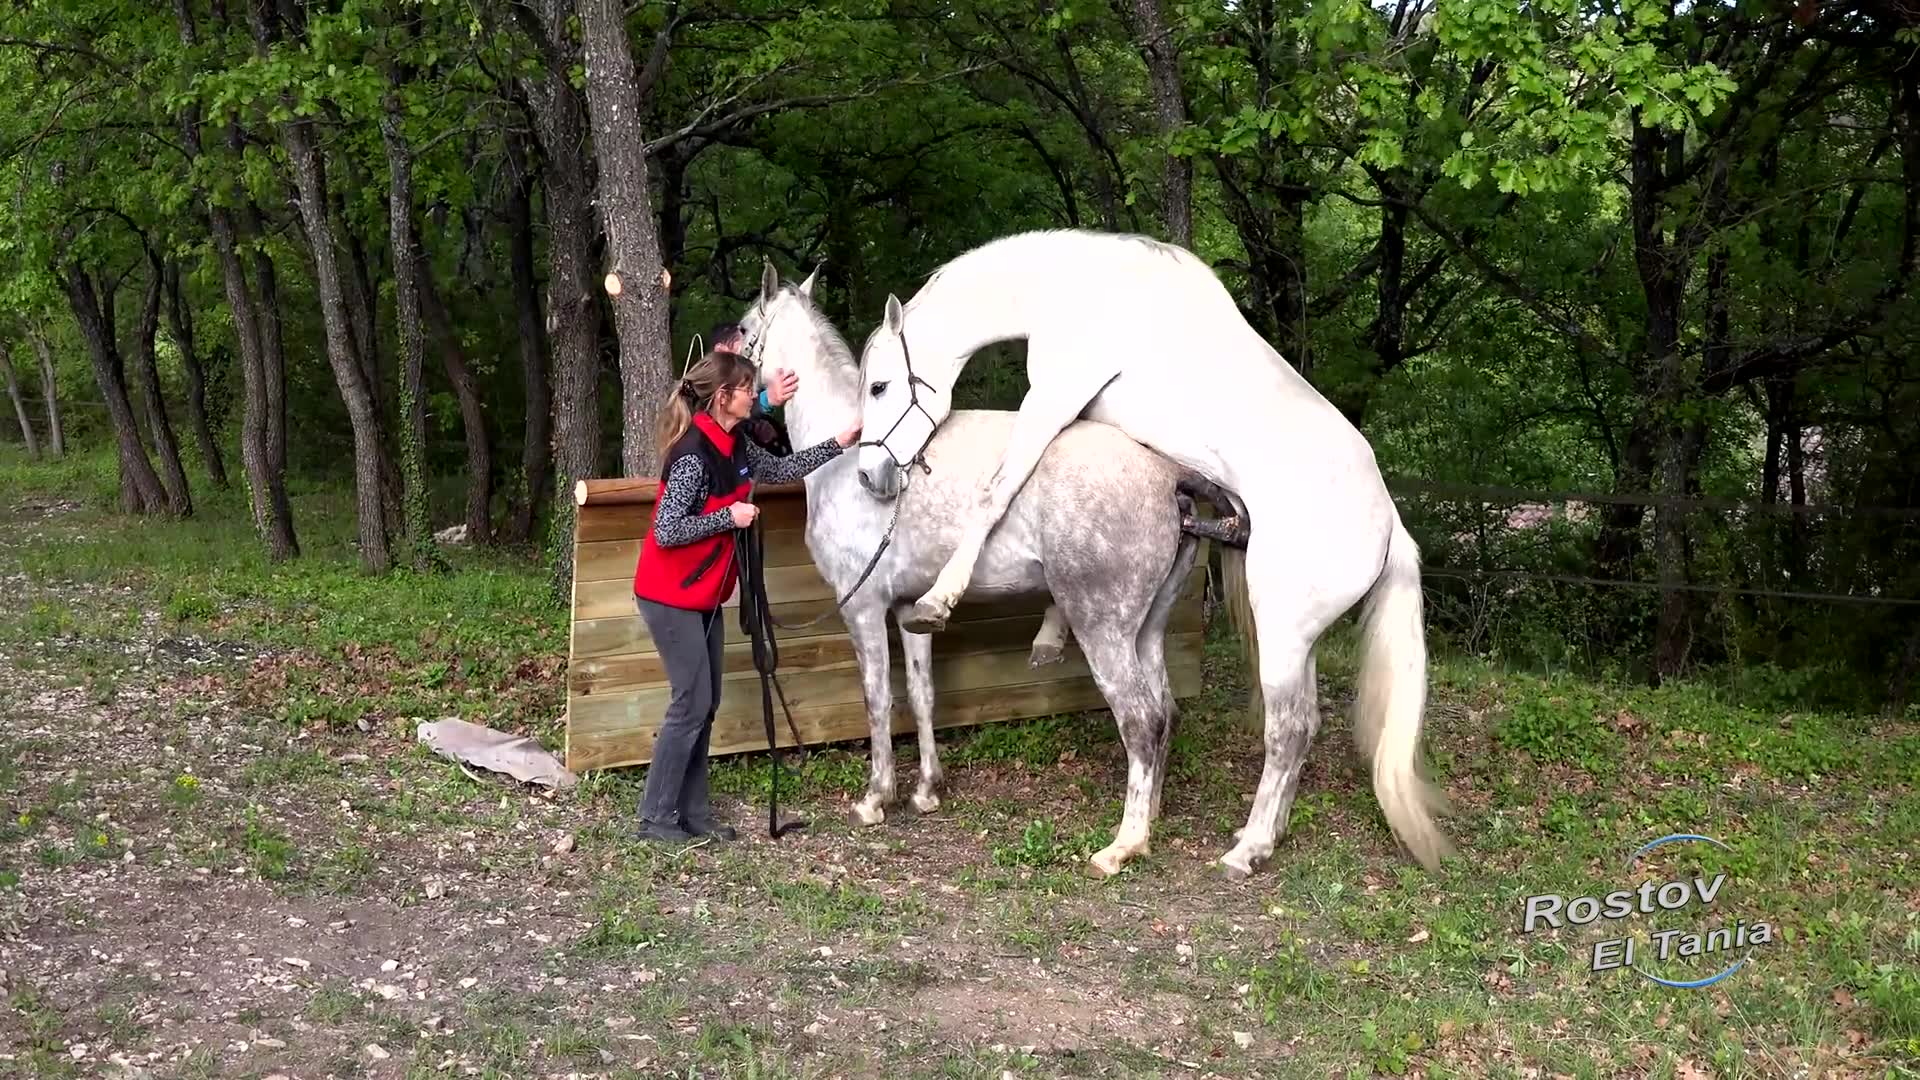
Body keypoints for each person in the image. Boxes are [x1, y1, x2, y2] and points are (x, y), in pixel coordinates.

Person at [630, 349, 859, 843]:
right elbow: (667, 531)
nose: (754, 396)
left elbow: (781, 469)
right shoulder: (693, 454)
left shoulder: (734, 444)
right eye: (746, 388)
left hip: (702, 596)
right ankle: (655, 819)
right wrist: (727, 518)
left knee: (704, 704)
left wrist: (839, 443)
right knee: (691, 703)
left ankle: (692, 814)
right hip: (669, 596)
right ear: (723, 397)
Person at [711, 321, 797, 454]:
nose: (751, 361)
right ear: (721, 351)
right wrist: (767, 399)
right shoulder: (707, 385)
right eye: (745, 351)